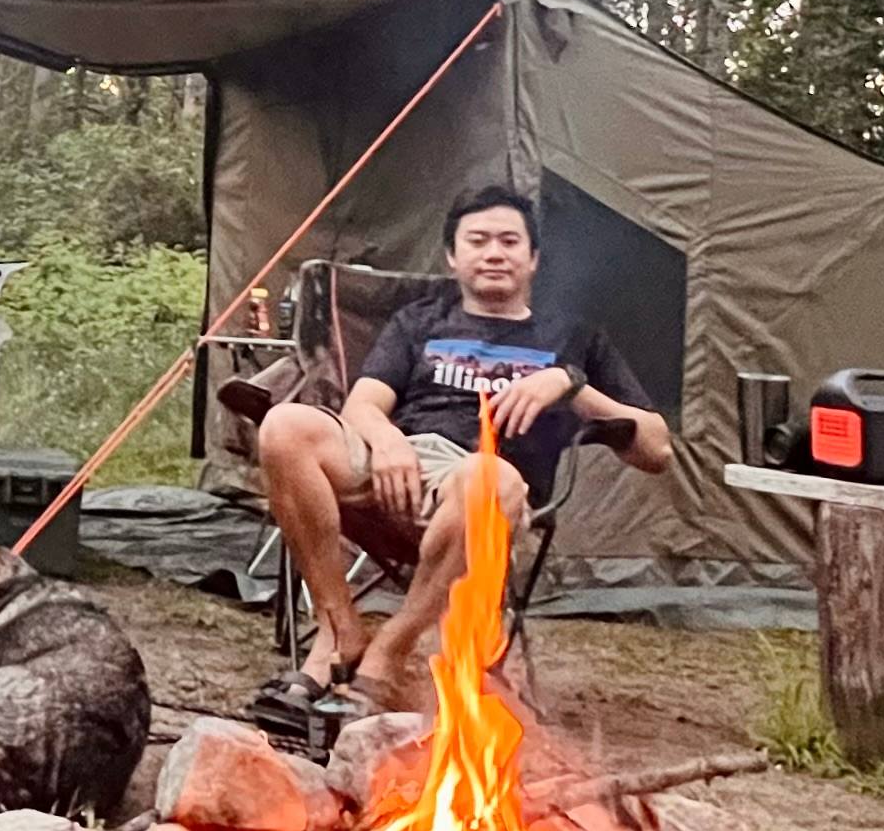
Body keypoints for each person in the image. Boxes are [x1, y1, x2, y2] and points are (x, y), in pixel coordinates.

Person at [250, 184, 673, 719]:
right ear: (452, 256)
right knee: (284, 425)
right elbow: (364, 405)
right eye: (478, 240)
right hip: (404, 468)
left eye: (509, 241)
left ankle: (390, 650)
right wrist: (387, 442)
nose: (494, 253)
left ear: (533, 259)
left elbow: (657, 450)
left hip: (491, 493)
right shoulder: (417, 323)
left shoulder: (573, 338)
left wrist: (571, 385)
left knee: (487, 477)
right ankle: (339, 631)